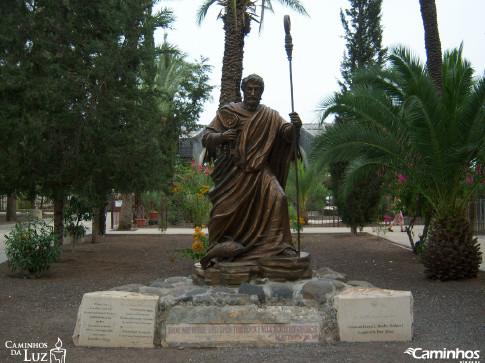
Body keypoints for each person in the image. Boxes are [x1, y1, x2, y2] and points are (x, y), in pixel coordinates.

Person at [201, 74, 300, 267]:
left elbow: (285, 134)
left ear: (262, 92)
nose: (253, 93)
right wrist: (222, 136)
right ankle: (217, 246)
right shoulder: (229, 112)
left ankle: (281, 246)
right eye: (249, 89)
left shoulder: (270, 115)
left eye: (257, 90)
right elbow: (206, 138)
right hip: (234, 171)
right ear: (243, 90)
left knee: (279, 198)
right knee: (223, 211)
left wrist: (295, 127)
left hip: (260, 169)